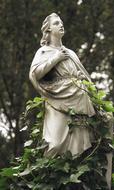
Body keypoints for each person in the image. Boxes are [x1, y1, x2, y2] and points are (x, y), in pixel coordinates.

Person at [29, 13, 96, 157]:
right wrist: (55, 58)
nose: (61, 25)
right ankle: (48, 176)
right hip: (57, 100)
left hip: (78, 100)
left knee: (79, 147)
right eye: (56, 23)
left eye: (61, 22)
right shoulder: (44, 51)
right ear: (48, 30)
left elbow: (82, 74)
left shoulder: (71, 53)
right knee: (55, 144)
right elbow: (35, 74)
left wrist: (80, 78)